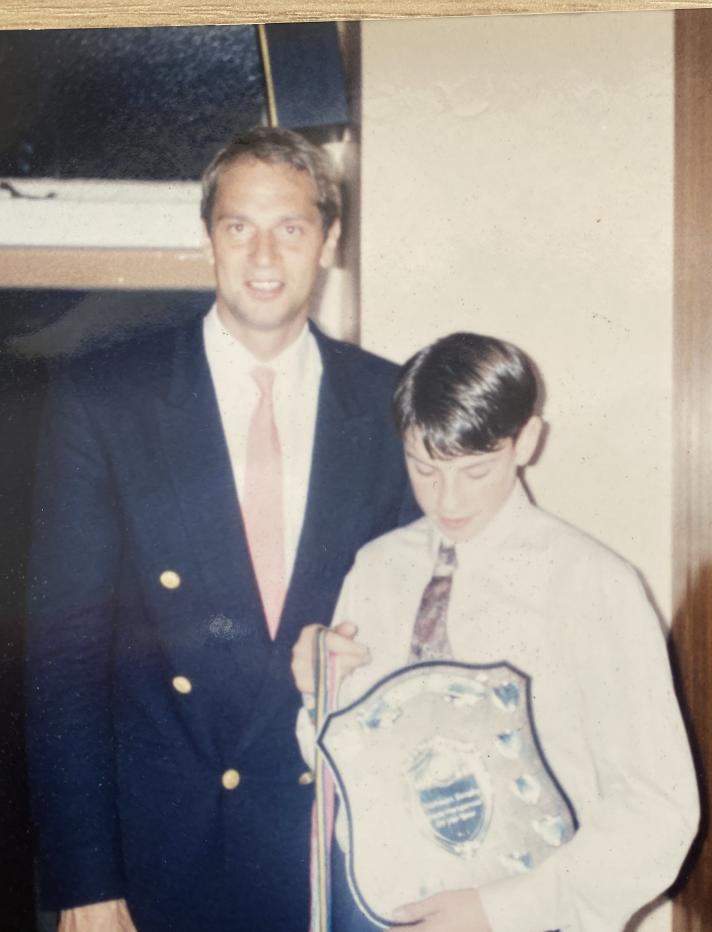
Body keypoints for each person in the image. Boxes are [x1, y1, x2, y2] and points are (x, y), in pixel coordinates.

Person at [25, 126, 414, 932]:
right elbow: (62, 657)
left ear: (329, 240)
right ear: (208, 237)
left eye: (291, 228)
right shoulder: (108, 396)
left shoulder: (389, 405)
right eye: (240, 226)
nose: (264, 255)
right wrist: (85, 882)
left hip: (329, 859)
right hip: (152, 864)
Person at [291, 332, 699, 932]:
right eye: (423, 468)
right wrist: (317, 693)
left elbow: (659, 809)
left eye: (475, 471)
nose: (447, 500)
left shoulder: (594, 584)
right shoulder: (378, 568)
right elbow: (350, 772)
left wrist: (502, 910)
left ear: (527, 439)